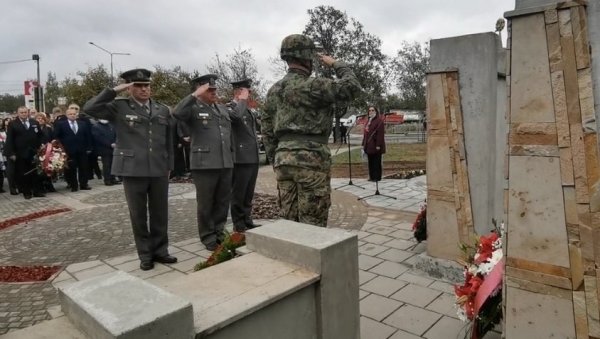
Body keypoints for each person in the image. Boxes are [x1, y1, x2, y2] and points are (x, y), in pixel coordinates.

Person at [83, 68, 177, 270]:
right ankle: (145, 254)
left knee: (160, 212)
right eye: (139, 86)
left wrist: (170, 164)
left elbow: (168, 138)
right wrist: (114, 91)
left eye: (147, 85)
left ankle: (161, 250)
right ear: (129, 88)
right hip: (133, 168)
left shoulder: (161, 109)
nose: (144, 89)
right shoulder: (119, 107)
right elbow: (89, 108)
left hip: (159, 168)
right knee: (138, 214)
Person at [263, 34, 361, 227]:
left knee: (287, 222)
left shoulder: (274, 90)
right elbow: (352, 87)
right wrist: (336, 63)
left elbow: (266, 129)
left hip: (283, 162)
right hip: (311, 161)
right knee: (312, 225)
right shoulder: (315, 85)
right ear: (307, 57)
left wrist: (277, 158)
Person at [173, 74, 234, 250]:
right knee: (206, 202)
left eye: (215, 89)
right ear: (200, 90)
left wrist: (231, 157)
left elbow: (228, 134)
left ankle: (219, 231)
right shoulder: (192, 108)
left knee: (222, 201)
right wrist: (193, 96)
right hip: (204, 163)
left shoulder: (221, 109)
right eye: (210, 90)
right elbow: (177, 113)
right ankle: (208, 236)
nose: (214, 92)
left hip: (225, 162)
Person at [228, 78, 260, 232]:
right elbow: (235, 117)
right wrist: (241, 100)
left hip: (252, 156)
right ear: (238, 92)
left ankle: (247, 219)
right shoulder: (231, 107)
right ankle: (238, 223)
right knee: (239, 193)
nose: (249, 94)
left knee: (248, 192)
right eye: (246, 91)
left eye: (249, 91)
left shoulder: (246, 109)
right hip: (240, 158)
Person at [4, 106, 45, 199]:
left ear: (28, 113)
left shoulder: (34, 122)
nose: (23, 114)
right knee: (23, 173)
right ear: (18, 113)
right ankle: (26, 192)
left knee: (35, 172)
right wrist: (11, 153)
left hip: (34, 152)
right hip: (20, 153)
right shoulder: (13, 124)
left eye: (25, 112)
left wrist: (42, 145)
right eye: (21, 112)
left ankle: (36, 191)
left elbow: (40, 136)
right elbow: (10, 139)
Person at [54, 108, 93, 191]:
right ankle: (73, 185)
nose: (72, 115)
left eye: (74, 114)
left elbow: (88, 136)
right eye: (70, 114)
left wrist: (89, 147)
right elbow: (56, 137)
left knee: (83, 167)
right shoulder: (61, 124)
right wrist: (60, 149)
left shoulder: (82, 124)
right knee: (71, 169)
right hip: (68, 151)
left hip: (82, 149)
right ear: (67, 115)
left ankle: (83, 184)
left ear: (77, 115)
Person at [91, 119, 119, 186]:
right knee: (107, 165)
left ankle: (113, 178)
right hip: (104, 149)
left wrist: (115, 142)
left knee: (113, 164)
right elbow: (98, 138)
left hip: (113, 148)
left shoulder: (111, 125)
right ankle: (107, 179)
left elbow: (115, 134)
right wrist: (109, 144)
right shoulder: (96, 126)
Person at [362, 106, 386, 182]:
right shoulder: (368, 121)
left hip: (376, 145)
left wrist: (378, 145)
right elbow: (365, 134)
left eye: (372, 110)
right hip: (368, 145)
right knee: (370, 161)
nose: (371, 112)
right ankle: (371, 176)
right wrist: (363, 143)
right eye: (369, 110)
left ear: (376, 112)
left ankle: (377, 177)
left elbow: (380, 135)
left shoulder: (379, 121)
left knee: (376, 162)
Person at [35, 112, 57, 193]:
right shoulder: (33, 128)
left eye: (42, 119)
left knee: (48, 167)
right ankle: (41, 186)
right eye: (38, 119)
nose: (40, 120)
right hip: (38, 150)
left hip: (48, 150)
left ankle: (49, 184)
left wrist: (51, 144)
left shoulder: (48, 128)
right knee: (40, 169)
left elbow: (53, 138)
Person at [1, 118, 17, 195]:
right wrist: (10, 153)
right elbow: (8, 143)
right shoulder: (3, 131)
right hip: (9, 153)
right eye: (6, 121)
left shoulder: (14, 130)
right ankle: (12, 188)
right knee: (11, 171)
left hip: (17, 151)